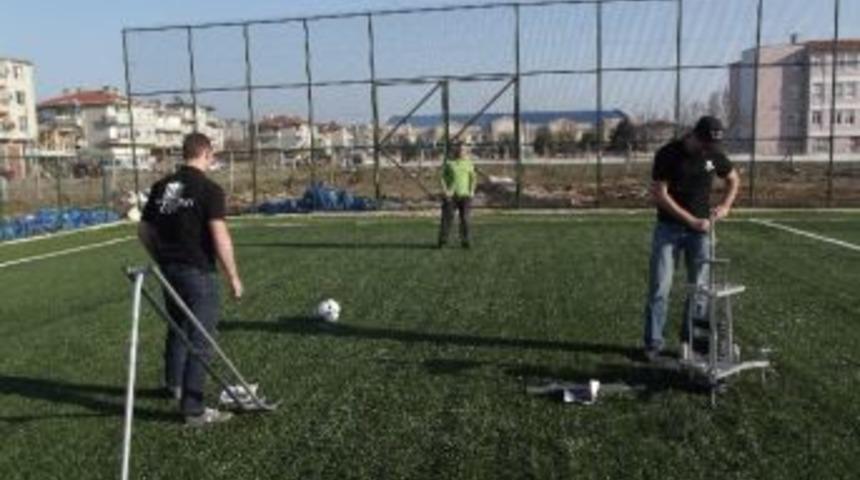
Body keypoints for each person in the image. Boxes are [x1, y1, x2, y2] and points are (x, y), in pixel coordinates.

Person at [138, 132, 243, 426]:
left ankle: (174, 385)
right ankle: (193, 409)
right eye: (213, 157)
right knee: (201, 337)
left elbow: (143, 231)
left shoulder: (165, 187)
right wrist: (233, 275)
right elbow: (219, 236)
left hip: (168, 269)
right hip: (197, 271)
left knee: (178, 328)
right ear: (206, 154)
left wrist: (161, 257)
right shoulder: (208, 189)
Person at [642, 116, 740, 362]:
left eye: (712, 145)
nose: (708, 149)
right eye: (705, 143)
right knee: (660, 288)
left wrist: (726, 206)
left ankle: (691, 343)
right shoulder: (668, 154)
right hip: (669, 230)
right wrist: (690, 221)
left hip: (701, 233)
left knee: (699, 290)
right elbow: (660, 195)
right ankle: (653, 343)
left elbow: (733, 179)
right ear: (694, 135)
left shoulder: (713, 155)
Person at [438, 143, 477, 249]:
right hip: (451, 196)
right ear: (456, 151)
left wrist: (472, 191)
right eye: (459, 149)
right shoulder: (449, 163)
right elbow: (442, 178)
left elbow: (473, 178)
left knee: (465, 219)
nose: (461, 151)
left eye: (463, 149)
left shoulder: (469, 163)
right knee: (447, 218)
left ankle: (465, 241)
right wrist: (446, 191)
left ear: (466, 151)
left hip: (465, 196)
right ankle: (443, 241)